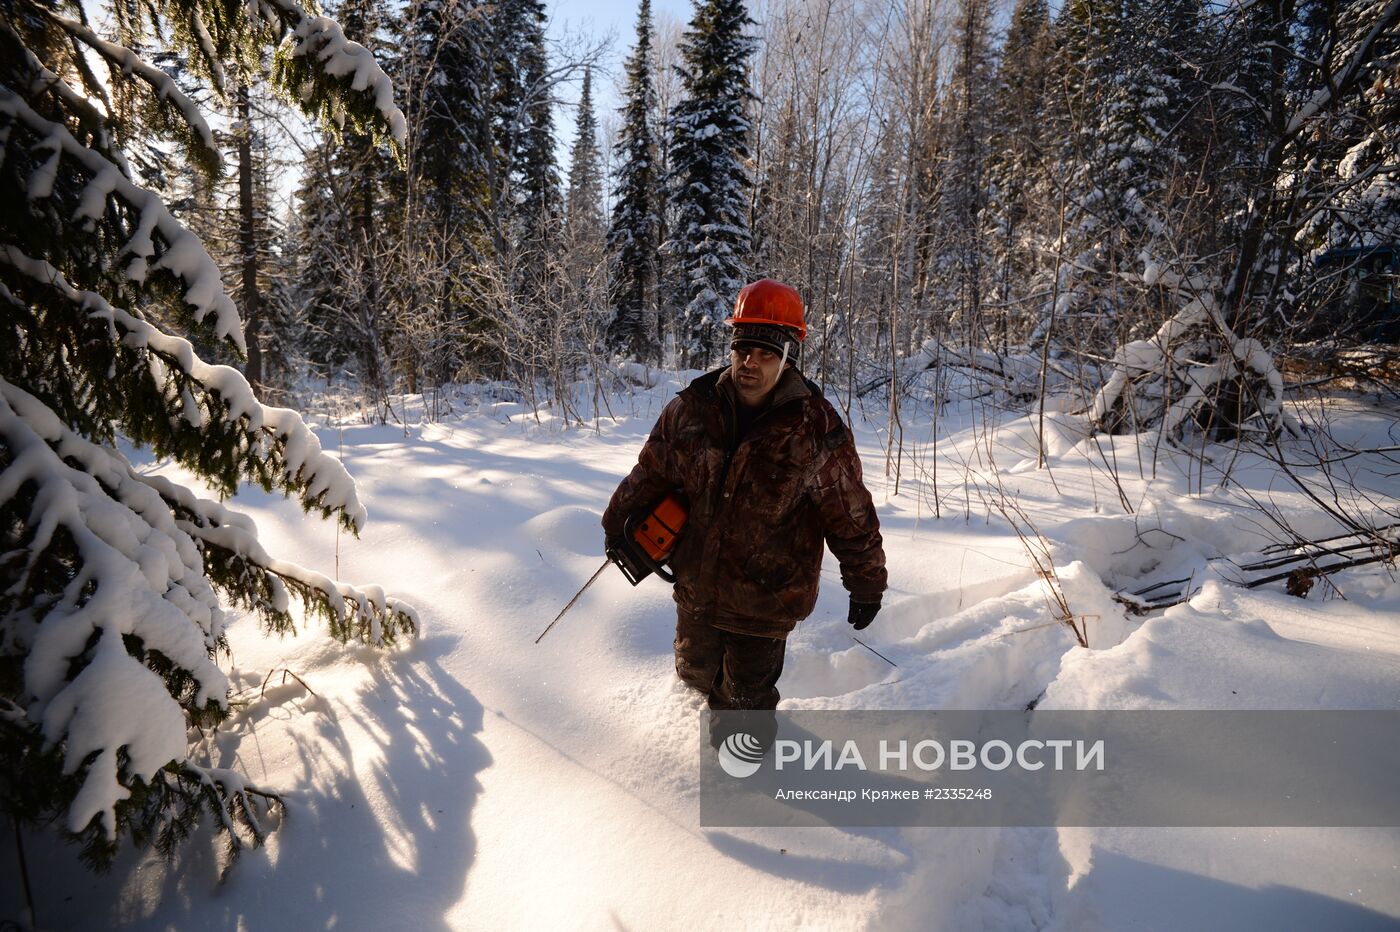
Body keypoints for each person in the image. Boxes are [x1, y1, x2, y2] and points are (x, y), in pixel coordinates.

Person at [602, 279, 887, 723]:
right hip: (696, 585)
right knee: (694, 676)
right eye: (742, 350)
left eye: (766, 354)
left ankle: (744, 785)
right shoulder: (692, 409)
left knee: (742, 707)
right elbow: (651, 472)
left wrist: (866, 582)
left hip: (766, 601)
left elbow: (849, 514)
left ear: (787, 356)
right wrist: (615, 523)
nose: (750, 363)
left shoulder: (816, 428)